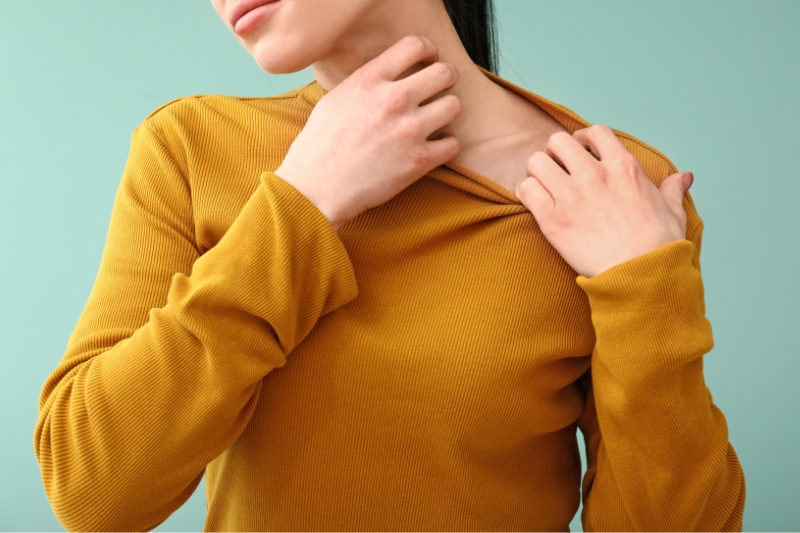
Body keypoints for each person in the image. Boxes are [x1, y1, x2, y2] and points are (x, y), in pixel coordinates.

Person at [33, 0, 746, 530]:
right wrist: (305, 201)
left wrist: (645, 287)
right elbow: (93, 486)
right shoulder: (191, 150)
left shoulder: (616, 186)